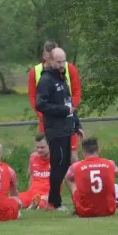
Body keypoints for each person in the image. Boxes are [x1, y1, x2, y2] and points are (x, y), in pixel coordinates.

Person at [36, 47, 82, 211]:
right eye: (59, 61)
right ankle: (54, 202)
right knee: (59, 165)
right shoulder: (46, 80)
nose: (62, 64)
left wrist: (76, 124)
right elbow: (40, 104)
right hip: (55, 130)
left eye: (64, 61)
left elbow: (68, 103)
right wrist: (62, 110)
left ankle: (54, 200)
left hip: (66, 128)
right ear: (51, 61)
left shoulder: (62, 78)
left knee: (63, 165)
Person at [28, 41, 82, 164]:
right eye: (49, 56)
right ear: (44, 56)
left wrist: (69, 110)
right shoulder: (35, 71)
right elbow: (33, 96)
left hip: (67, 118)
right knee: (48, 155)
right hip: (48, 120)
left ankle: (73, 182)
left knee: (72, 157)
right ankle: (47, 182)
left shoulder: (70, 68)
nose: (52, 60)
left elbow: (76, 91)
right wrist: (42, 114)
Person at [65, 137, 118, 218]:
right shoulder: (110, 163)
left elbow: (68, 177)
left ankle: (77, 206)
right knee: (109, 176)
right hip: (109, 210)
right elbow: (115, 172)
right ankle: (105, 202)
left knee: (69, 179)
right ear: (98, 150)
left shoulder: (76, 166)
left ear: (84, 152)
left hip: (85, 212)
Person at [18, 134, 51, 210]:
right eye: (37, 147)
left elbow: (60, 182)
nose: (39, 150)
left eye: (42, 147)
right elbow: (31, 176)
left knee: (43, 203)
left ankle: (36, 205)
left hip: (47, 194)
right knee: (15, 201)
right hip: (32, 193)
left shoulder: (56, 159)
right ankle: (32, 204)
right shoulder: (33, 157)